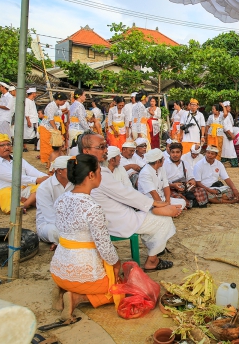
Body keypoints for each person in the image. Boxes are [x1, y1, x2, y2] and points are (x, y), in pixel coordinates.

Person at [80, 132, 181, 271]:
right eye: (102, 147)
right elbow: (124, 193)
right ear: (86, 151)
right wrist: (153, 203)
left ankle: (154, 248)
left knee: (152, 215)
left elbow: (125, 191)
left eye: (106, 146)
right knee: (164, 221)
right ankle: (152, 260)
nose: (105, 151)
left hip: (111, 214)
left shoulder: (81, 167)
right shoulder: (98, 172)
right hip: (114, 220)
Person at [50, 154, 121, 320]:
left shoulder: (61, 199)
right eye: (99, 171)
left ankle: (61, 289)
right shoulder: (92, 207)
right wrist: (117, 264)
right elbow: (105, 248)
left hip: (58, 271)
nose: (101, 175)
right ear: (91, 175)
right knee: (118, 288)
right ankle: (76, 298)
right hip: (82, 276)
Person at [0, 133, 49, 214]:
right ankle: (31, 201)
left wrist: (47, 178)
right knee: (7, 195)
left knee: (44, 186)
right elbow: (14, 178)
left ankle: (25, 203)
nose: (6, 147)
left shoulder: (17, 158)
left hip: (23, 189)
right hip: (4, 192)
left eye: (8, 144)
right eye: (2, 145)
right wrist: (37, 180)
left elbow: (32, 171)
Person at [36, 156, 74, 246]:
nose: (74, 172)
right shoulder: (44, 188)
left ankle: (62, 243)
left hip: (72, 222)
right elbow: (50, 217)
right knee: (54, 231)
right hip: (49, 224)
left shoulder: (75, 183)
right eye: (70, 169)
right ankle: (64, 243)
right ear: (59, 171)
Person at [40, 92, 69, 165]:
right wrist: (55, 128)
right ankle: (48, 162)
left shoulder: (56, 105)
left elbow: (57, 113)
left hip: (52, 127)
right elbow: (50, 118)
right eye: (63, 101)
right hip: (47, 127)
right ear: (58, 100)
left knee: (54, 144)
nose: (64, 103)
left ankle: (52, 161)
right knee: (48, 145)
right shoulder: (51, 105)